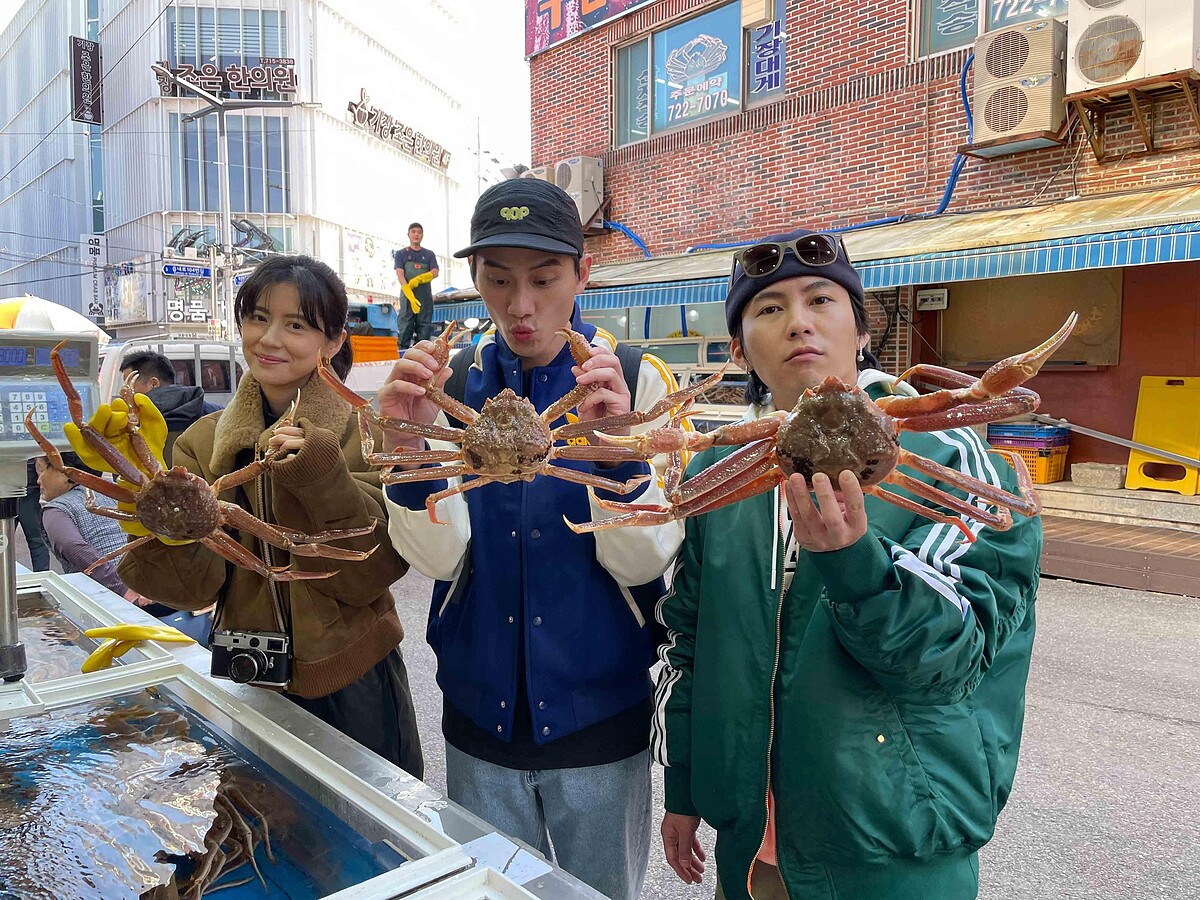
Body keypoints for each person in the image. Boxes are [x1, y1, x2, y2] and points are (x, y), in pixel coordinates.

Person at [655, 230, 1043, 900]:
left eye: (820, 300)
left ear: (862, 329)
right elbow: (690, 641)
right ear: (742, 347)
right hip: (752, 846)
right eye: (768, 308)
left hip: (895, 843)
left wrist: (856, 565)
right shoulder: (718, 470)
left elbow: (955, 660)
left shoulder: (949, 452)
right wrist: (685, 785)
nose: (798, 321)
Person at [381, 179, 684, 900]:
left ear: (582, 273)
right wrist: (406, 447)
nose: (521, 306)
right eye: (498, 280)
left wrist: (621, 453)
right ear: (477, 279)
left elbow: (647, 560)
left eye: (544, 279)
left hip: (601, 716)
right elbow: (439, 559)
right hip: (478, 716)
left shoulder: (637, 381)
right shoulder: (449, 384)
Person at [69, 255, 423, 777]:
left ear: (333, 342)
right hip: (246, 670)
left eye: (296, 324)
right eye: (258, 317)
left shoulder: (366, 429)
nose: (270, 338)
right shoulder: (202, 441)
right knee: (256, 833)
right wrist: (141, 503)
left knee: (380, 841)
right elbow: (193, 591)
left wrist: (321, 473)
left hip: (353, 678)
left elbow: (370, 571)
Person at [35, 452, 146, 603]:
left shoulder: (56, 509)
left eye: (41, 470)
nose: (38, 480)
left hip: (111, 600)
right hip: (152, 589)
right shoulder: (120, 493)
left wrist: (122, 589)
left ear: (63, 471)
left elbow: (72, 546)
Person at [119, 350, 222, 465]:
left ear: (153, 384)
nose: (127, 391)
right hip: (212, 482)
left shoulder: (133, 423)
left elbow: (121, 470)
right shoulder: (217, 414)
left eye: (129, 384)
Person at [393, 222, 439, 349]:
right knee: (405, 328)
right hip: (408, 296)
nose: (416, 234)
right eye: (413, 232)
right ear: (408, 234)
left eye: (419, 232)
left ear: (422, 235)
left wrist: (420, 278)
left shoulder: (429, 254)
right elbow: (400, 274)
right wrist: (410, 295)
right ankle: (402, 357)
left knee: (424, 329)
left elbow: (435, 272)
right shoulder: (401, 254)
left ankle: (421, 359)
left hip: (425, 298)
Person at [18, 458, 50, 570]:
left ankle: (42, 574)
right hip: (28, 482)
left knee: (36, 539)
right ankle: (42, 575)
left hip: (26, 484)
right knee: (36, 539)